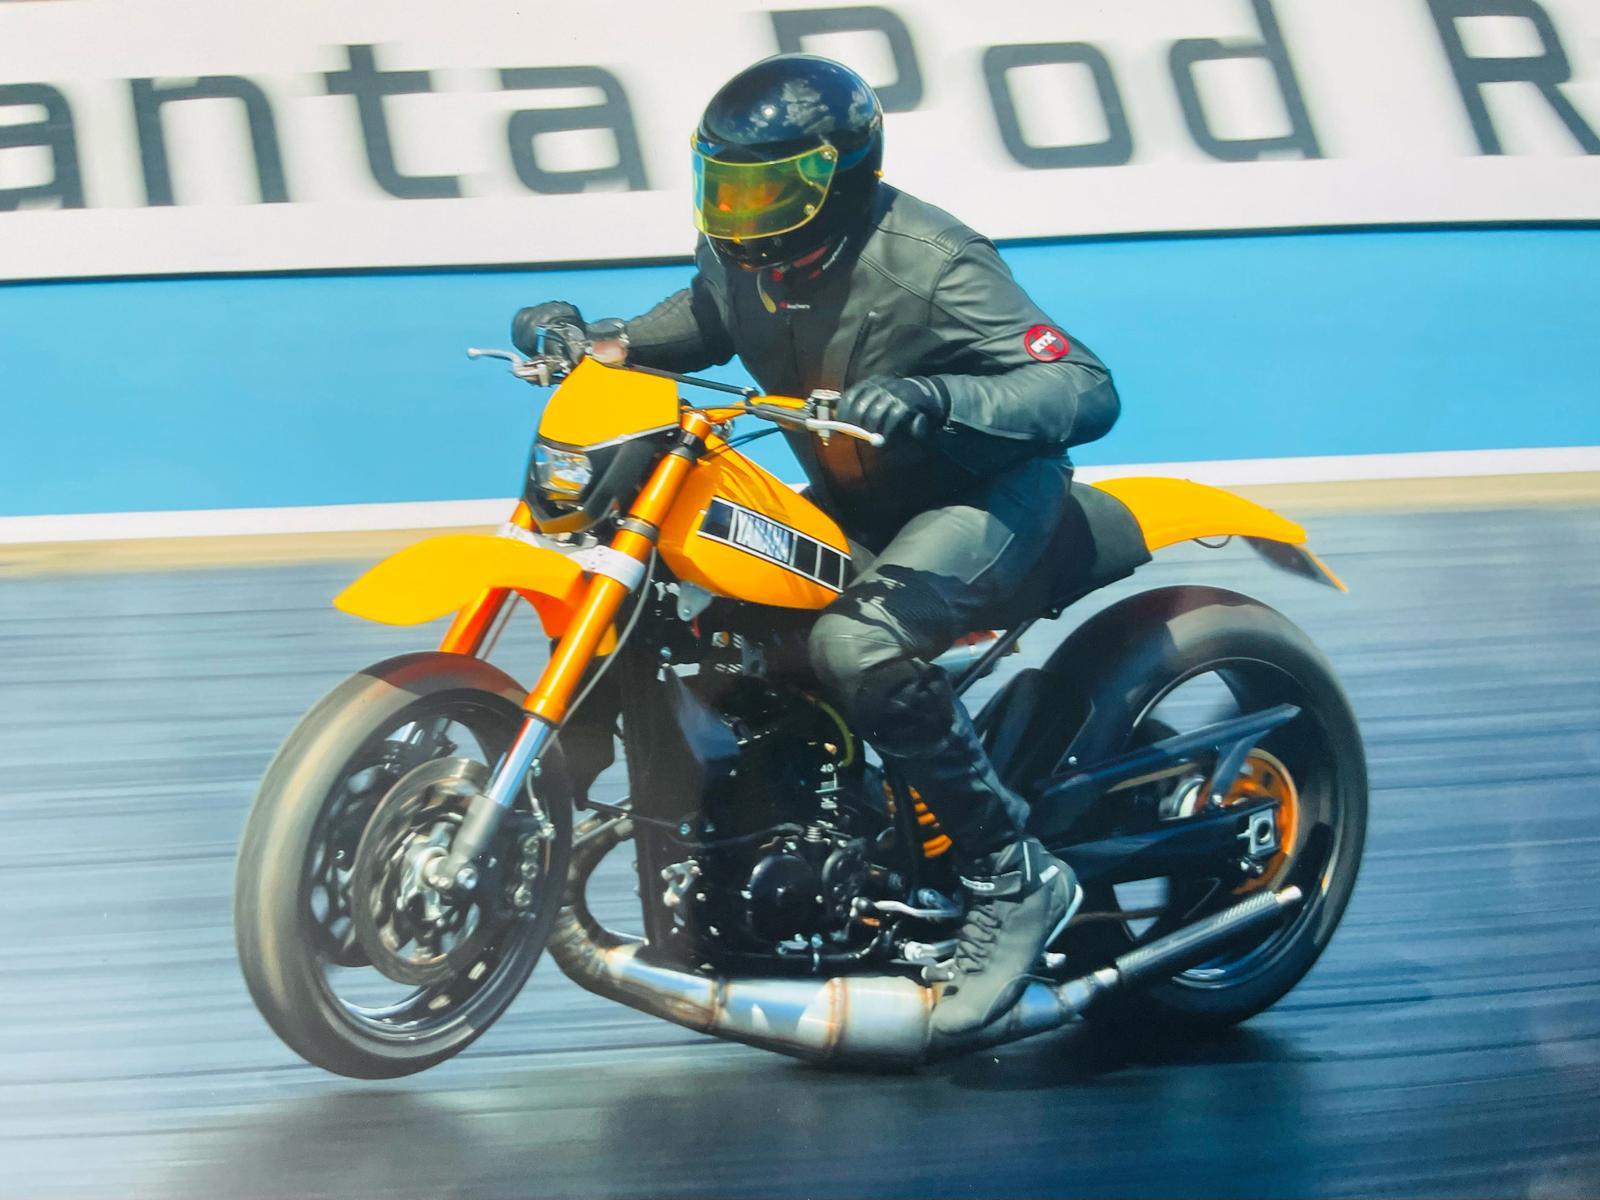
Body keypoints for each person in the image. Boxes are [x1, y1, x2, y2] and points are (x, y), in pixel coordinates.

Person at [512, 54, 1120, 1037]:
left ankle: (1014, 878)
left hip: (988, 496)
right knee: (711, 612)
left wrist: (940, 399)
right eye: (725, 185)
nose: (739, 211)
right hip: (856, 497)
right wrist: (605, 344)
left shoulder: (931, 259)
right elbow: (708, 316)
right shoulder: (746, 255)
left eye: (766, 189)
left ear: (838, 176)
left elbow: (1085, 387)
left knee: (855, 645)